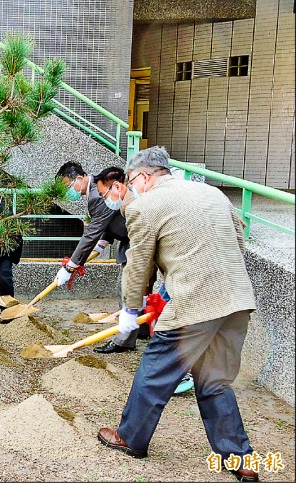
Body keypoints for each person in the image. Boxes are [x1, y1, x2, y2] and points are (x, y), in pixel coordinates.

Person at [97, 147, 259, 483]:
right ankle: (241, 459)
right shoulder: (211, 192)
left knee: (155, 371)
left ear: (143, 176)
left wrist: (130, 309)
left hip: (194, 304)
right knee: (215, 382)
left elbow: (138, 263)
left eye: (130, 181)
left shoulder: (145, 205)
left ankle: (130, 438)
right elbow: (238, 235)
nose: (131, 187)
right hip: (236, 300)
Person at [55, 163, 147, 353]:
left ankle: (125, 340)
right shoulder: (98, 187)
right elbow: (108, 221)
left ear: (79, 179)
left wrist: (70, 266)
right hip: (131, 239)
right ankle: (142, 328)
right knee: (136, 289)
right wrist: (102, 243)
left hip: (136, 240)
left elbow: (92, 233)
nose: (67, 192)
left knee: (126, 288)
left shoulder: (98, 194)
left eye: (67, 186)